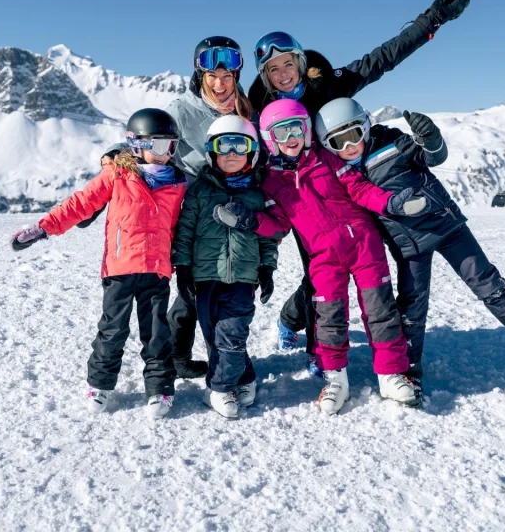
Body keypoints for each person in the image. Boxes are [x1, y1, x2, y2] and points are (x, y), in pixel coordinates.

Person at [247, 0, 472, 373]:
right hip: (307, 200)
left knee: (371, 263)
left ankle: (384, 338)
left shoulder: (330, 85)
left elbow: (381, 59)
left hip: (354, 186)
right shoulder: (265, 113)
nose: (283, 74)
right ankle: (314, 346)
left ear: (301, 62)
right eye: (273, 70)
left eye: (288, 64)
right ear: (266, 79)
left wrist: (430, 21)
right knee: (319, 273)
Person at [314, 97, 505, 403]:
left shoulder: (393, 142)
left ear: (367, 125)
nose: (349, 147)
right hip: (408, 246)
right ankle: (409, 371)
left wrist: (432, 139)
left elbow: (432, 157)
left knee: (486, 279)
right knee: (412, 308)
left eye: (354, 134)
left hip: (446, 226)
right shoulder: (343, 175)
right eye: (337, 142)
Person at [213, 100, 427, 414]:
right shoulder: (271, 181)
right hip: (323, 255)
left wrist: (390, 203)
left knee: (380, 309)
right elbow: (279, 224)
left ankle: (390, 374)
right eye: (281, 132)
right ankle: (336, 378)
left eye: (296, 128)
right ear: (270, 138)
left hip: (363, 242)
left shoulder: (326, 158)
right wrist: (250, 221)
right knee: (329, 317)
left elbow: (359, 188)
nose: (291, 138)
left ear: (307, 130)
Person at [10, 108, 186, 419]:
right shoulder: (117, 176)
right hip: (120, 269)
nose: (165, 154)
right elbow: (81, 203)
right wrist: (44, 227)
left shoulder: (177, 184)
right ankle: (100, 385)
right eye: (158, 145)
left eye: (171, 146)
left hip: (157, 270)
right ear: (135, 144)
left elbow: (178, 228)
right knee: (112, 330)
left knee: (158, 332)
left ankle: (159, 387)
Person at [171, 115, 278, 417]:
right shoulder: (200, 192)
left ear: (252, 152)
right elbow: (185, 231)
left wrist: (267, 268)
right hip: (205, 278)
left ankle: (218, 389)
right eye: (224, 146)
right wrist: (183, 268)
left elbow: (267, 236)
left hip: (243, 278)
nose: (231, 154)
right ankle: (244, 376)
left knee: (232, 333)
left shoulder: (256, 196)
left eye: (239, 146)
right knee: (213, 336)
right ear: (212, 152)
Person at [165, 36, 257, 380]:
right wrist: (116, 154)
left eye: (227, 77)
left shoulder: (245, 111)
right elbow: (147, 134)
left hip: (233, 215)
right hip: (193, 213)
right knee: (191, 291)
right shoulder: (182, 110)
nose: (220, 85)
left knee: (226, 288)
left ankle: (226, 355)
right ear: (200, 77)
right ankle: (177, 355)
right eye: (213, 78)